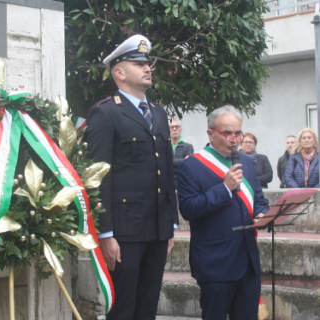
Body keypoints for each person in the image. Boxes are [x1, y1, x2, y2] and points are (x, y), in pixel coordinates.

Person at [85, 34, 178, 320]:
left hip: (158, 227)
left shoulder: (159, 114)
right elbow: (98, 177)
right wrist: (106, 233)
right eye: (138, 63)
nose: (147, 67)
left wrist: (171, 223)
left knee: (148, 306)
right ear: (119, 72)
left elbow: (167, 171)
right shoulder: (106, 113)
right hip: (125, 231)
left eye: (147, 63)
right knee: (123, 307)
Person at [177, 106, 268, 320]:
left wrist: (262, 214)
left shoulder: (246, 161)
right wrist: (225, 188)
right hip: (215, 261)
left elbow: (259, 200)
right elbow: (188, 209)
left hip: (247, 260)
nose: (234, 139)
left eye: (238, 133)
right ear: (211, 133)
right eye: (227, 133)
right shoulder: (191, 166)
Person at [170, 119, 194, 185]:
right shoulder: (164, 146)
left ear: (181, 130)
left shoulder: (188, 147)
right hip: (167, 184)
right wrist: (183, 160)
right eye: (172, 127)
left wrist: (169, 161)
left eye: (177, 127)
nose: (174, 129)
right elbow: (162, 163)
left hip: (183, 183)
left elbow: (188, 164)